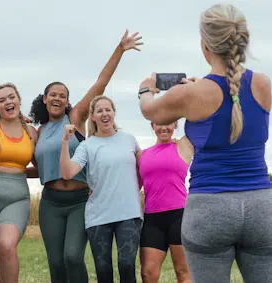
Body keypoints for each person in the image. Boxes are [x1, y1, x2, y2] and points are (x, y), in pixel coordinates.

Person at [138, 4, 272, 282]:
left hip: (210, 208)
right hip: (262, 206)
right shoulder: (263, 84)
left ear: (204, 45)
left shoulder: (191, 93)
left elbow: (150, 110)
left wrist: (145, 88)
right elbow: (233, 99)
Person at [27, 29, 143, 283]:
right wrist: (5, 173)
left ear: (68, 101)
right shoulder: (38, 132)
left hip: (79, 199)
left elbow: (100, 83)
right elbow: (39, 168)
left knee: (72, 257)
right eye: (53, 95)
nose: (58, 98)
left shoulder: (76, 117)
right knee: (56, 263)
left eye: (63, 95)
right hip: (51, 202)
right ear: (45, 99)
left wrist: (120, 49)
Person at [60, 96, 143, 283]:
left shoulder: (129, 140)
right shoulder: (87, 146)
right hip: (99, 216)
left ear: (114, 113)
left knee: (127, 264)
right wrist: (65, 141)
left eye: (108, 110)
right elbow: (67, 172)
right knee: (103, 269)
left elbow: (143, 168)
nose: (104, 114)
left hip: (129, 213)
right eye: (100, 111)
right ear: (93, 117)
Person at [0, 83, 38, 283]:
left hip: (16, 199)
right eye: (2, 100)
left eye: (12, 97)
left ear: (19, 100)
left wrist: (14, 174)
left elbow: (41, 169)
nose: (8, 102)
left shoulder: (31, 133)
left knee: (6, 245)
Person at [137, 122, 193, 283]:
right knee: (148, 274)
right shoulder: (142, 155)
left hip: (179, 217)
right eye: (159, 124)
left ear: (175, 124)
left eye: (168, 123)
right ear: (152, 125)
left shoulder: (184, 146)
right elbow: (135, 187)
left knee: (183, 273)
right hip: (152, 220)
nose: (164, 128)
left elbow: (201, 121)